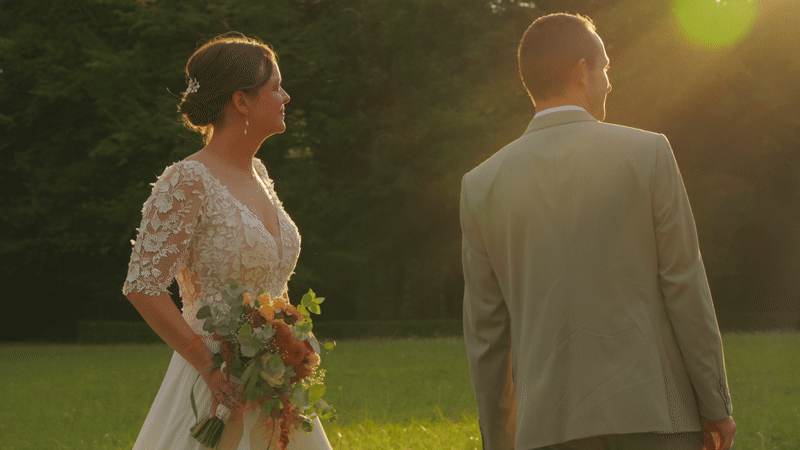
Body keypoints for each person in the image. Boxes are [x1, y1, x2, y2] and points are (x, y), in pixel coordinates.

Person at [460, 13, 736, 450]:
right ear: (581, 72)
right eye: (605, 67)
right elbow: (685, 286)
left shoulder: (481, 185)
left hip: (547, 431)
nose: (609, 81)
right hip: (656, 418)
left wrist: (500, 440)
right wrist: (715, 405)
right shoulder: (649, 154)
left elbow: (486, 335)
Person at [123, 33, 332, 450]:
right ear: (242, 101)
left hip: (273, 382)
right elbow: (143, 287)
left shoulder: (260, 173)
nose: (286, 96)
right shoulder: (186, 181)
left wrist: (289, 343)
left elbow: (271, 278)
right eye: (275, 87)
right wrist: (207, 365)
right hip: (217, 380)